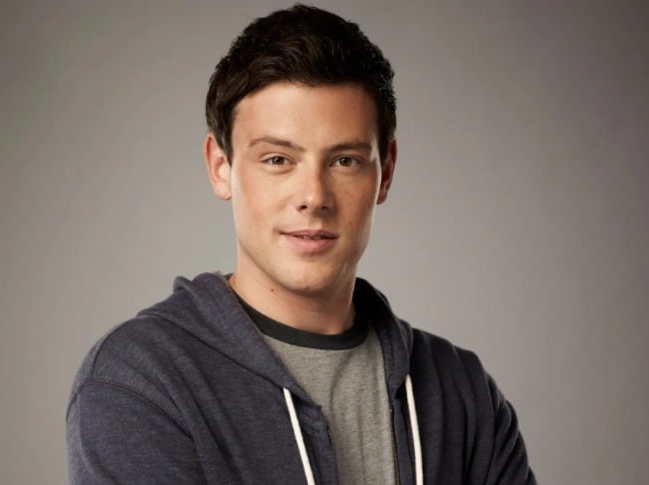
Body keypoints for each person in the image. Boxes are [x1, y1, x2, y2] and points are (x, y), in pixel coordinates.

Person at [66, 5, 536, 484]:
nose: (314, 196)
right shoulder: (140, 382)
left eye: (345, 160)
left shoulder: (462, 391)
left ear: (386, 172)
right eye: (278, 159)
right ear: (220, 167)